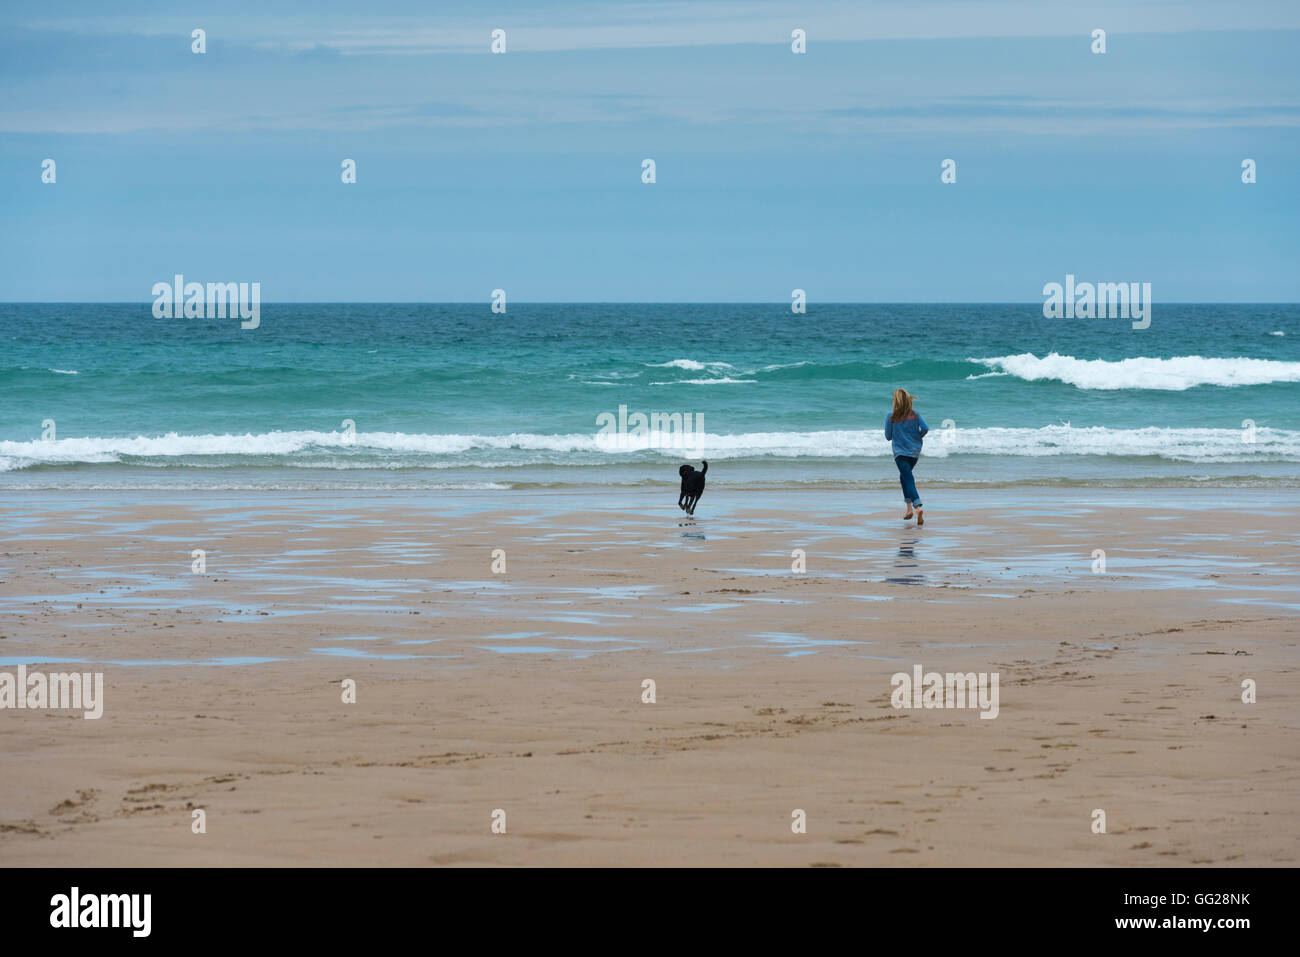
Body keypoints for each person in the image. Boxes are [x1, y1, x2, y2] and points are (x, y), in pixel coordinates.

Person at [884, 388, 928, 526]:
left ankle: (917, 507)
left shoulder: (891, 416)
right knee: (904, 477)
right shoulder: (915, 415)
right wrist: (916, 437)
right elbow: (925, 428)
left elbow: (888, 436)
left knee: (908, 478)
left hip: (900, 453)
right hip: (914, 452)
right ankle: (909, 509)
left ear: (895, 401)